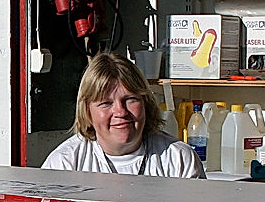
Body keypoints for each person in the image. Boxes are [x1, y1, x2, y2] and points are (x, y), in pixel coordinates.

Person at [42, 52, 206, 178]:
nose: (120, 112)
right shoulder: (64, 164)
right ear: (87, 111)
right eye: (106, 103)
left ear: (145, 103)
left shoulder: (179, 160)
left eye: (130, 99)